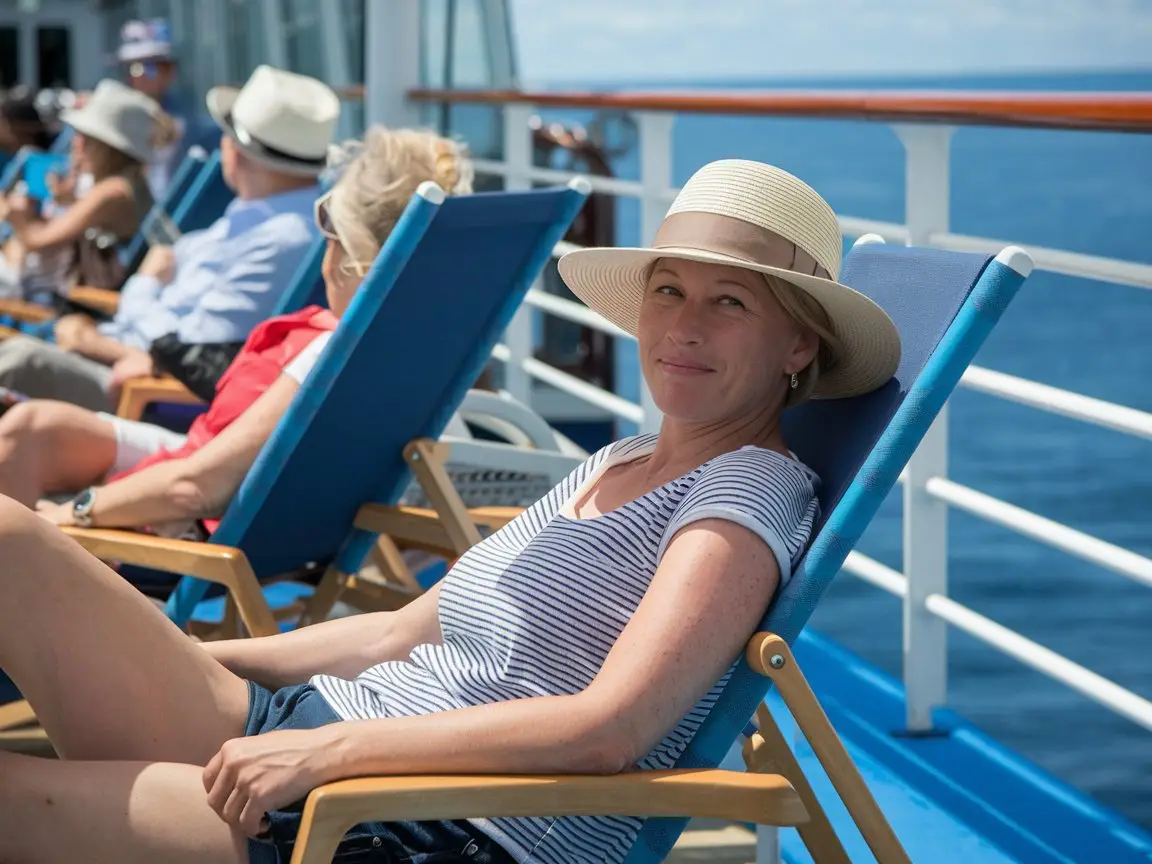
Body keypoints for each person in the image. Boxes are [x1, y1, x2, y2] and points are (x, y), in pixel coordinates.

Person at [0, 159, 901, 863]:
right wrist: (183, 652)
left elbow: (609, 729)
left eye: (729, 301)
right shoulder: (620, 457)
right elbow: (401, 633)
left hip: (415, 822)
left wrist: (332, 755)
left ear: (797, 345)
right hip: (329, 733)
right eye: (668, 290)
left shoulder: (745, 493)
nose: (685, 325)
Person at [0, 127, 473, 537]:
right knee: (30, 428)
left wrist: (74, 513)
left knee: (22, 476)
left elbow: (194, 488)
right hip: (247, 498)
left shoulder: (334, 353)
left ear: (354, 254)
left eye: (327, 221)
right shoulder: (422, 346)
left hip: (186, 536)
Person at [0, 65, 340, 413]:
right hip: (127, 356)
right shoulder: (250, 221)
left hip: (148, 390)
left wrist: (105, 331)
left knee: (16, 362)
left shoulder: (281, 239)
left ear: (233, 150)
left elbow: (197, 350)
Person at [0, 79, 159, 300]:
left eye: (85, 136)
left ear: (107, 147)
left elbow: (38, 240)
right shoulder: (127, 184)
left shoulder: (111, 191)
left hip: (85, 304)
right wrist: (69, 201)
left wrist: (16, 216)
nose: (76, 144)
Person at [116, 17, 215, 200]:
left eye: (147, 67)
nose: (134, 76)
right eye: (130, 68)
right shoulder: (111, 114)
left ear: (170, 72)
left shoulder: (186, 121)